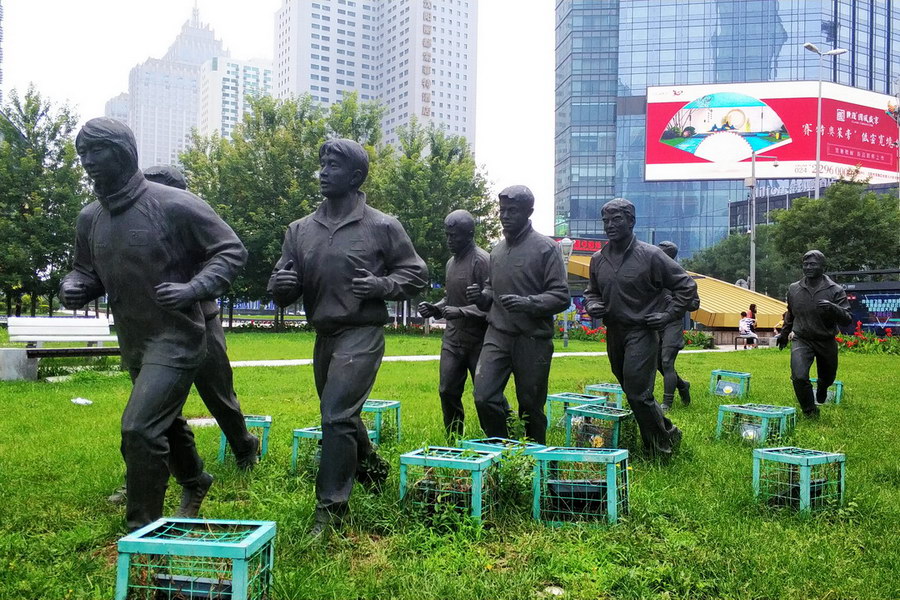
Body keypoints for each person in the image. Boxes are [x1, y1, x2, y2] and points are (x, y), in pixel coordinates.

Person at [60, 118, 247, 531]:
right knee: (166, 420)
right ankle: (195, 480)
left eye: (96, 151)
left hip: (177, 337)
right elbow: (85, 271)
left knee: (139, 429)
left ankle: (143, 532)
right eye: (82, 153)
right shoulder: (90, 217)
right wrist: (74, 286)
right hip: (135, 339)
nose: (88, 161)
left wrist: (194, 288)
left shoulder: (174, 204)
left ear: (123, 151)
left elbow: (230, 250)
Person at [268, 139, 428, 535]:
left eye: (333, 166)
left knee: (335, 415)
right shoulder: (299, 229)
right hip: (324, 336)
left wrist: (382, 285)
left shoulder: (382, 225)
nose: (323, 172)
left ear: (356, 176)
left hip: (362, 332)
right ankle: (371, 467)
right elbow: (281, 281)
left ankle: (331, 510)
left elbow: (416, 273)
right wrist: (282, 286)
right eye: (322, 164)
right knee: (341, 413)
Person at [143, 166, 259, 468]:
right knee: (151, 408)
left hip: (201, 321)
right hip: (157, 327)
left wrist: (192, 289)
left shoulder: (192, 220)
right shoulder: (138, 228)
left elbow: (226, 255)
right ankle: (149, 472)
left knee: (219, 394)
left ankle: (244, 445)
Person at [583, 198, 697, 459]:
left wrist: (668, 315)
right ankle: (668, 431)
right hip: (615, 332)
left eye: (616, 219)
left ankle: (659, 450)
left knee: (637, 393)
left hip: (641, 332)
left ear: (631, 221)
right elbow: (592, 292)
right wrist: (592, 304)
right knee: (633, 391)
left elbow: (686, 286)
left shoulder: (651, 255)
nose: (610, 225)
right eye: (606, 221)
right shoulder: (598, 259)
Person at [466, 185, 569, 444]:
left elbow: (561, 296)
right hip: (498, 334)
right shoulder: (497, 251)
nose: (505, 216)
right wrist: (481, 297)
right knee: (483, 396)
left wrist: (528, 303)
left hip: (532, 339)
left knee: (531, 406)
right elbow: (491, 290)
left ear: (528, 212)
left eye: (512, 211)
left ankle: (535, 457)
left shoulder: (547, 248)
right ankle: (502, 448)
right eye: (502, 210)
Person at [418, 210, 492, 438]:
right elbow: (450, 298)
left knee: (486, 396)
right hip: (452, 340)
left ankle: (499, 438)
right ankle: (454, 439)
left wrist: (460, 311)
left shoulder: (482, 261)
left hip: (479, 341)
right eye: (447, 235)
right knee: (447, 390)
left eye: (455, 236)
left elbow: (491, 305)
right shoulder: (451, 262)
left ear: (469, 234)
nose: (449, 240)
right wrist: (435, 308)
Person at [777, 250, 851, 417]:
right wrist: (784, 333)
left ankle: (823, 387)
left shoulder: (835, 290)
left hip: (826, 340)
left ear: (823, 267)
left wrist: (833, 308)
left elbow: (847, 319)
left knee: (828, 377)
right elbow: (791, 313)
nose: (808, 267)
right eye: (806, 264)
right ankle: (810, 411)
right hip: (802, 338)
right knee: (799, 376)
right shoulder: (794, 289)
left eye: (813, 264)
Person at [655, 241, 700, 412]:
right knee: (658, 364)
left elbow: (695, 304)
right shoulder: (650, 274)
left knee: (667, 361)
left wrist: (676, 301)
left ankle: (667, 402)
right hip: (654, 323)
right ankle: (682, 385)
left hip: (672, 324)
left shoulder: (681, 277)